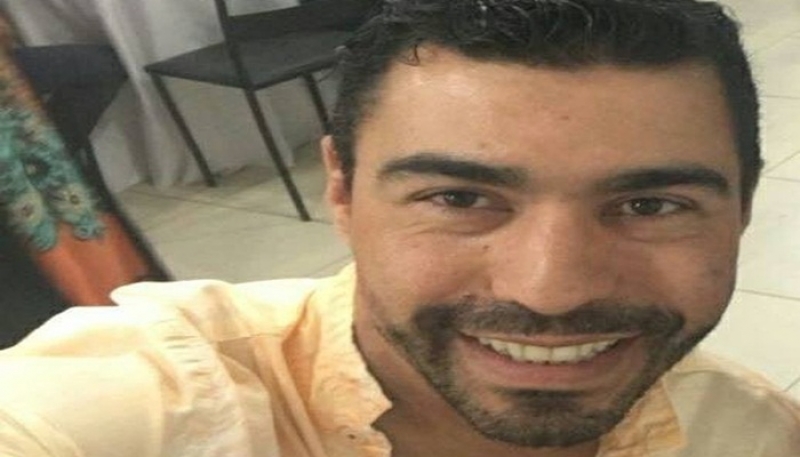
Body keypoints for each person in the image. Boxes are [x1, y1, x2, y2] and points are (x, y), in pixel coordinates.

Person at [1, 0, 798, 455]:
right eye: (459, 197)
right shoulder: (125, 411)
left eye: (650, 205)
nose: (551, 290)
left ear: (743, 206)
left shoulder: (744, 431)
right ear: (342, 189)